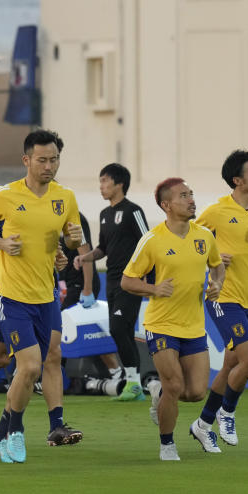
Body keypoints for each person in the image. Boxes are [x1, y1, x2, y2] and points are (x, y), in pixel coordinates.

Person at [0, 130, 83, 464]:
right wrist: (1, 243)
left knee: (41, 363)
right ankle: (15, 432)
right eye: (42, 160)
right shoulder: (4, 195)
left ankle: (2, 431)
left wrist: (71, 243)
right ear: (26, 160)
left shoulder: (65, 197)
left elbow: (69, 241)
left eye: (55, 159)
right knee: (28, 365)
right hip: (10, 292)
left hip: (46, 293)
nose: (49, 166)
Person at [121, 178, 224, 460]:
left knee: (195, 393)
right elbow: (127, 281)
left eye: (191, 194)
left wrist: (217, 285)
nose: (191, 200)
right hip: (161, 324)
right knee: (175, 385)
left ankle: (157, 393)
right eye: (183, 196)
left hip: (193, 325)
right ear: (166, 205)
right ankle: (167, 444)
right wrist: (153, 288)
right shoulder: (152, 240)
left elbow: (217, 267)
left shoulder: (204, 236)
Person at [192, 151, 248, 447]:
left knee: (232, 364)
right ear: (238, 180)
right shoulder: (216, 211)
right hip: (223, 295)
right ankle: (226, 412)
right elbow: (188, 239)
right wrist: (211, 255)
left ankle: (203, 423)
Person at [74, 163, 150, 401]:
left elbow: (148, 242)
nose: (101, 186)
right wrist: (85, 257)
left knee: (118, 328)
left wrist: (147, 276)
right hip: (112, 280)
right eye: (100, 181)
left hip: (131, 280)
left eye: (105, 181)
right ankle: (134, 385)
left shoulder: (133, 211)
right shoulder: (105, 215)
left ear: (119, 184)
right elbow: (103, 249)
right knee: (122, 331)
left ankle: (133, 383)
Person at [59, 212, 98, 309]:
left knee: (63, 320)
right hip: (70, 283)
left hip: (80, 284)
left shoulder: (75, 219)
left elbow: (85, 254)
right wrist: (62, 283)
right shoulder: (57, 219)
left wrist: (87, 289)